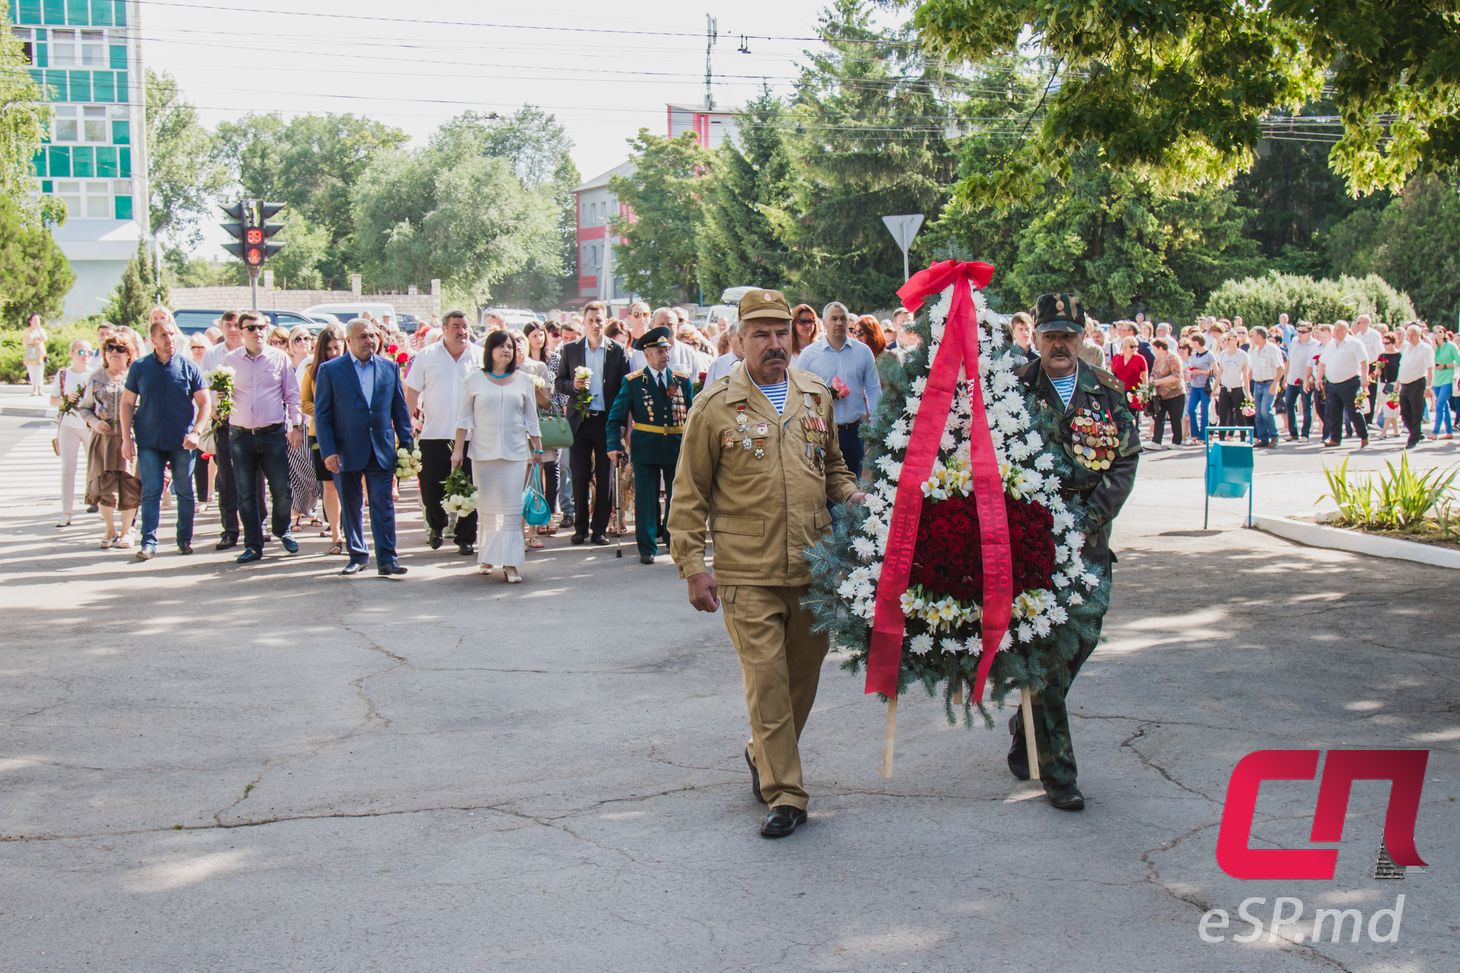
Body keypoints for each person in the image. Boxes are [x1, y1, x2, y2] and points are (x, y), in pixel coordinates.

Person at [667, 289, 862, 838]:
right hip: (745, 570)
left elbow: (834, 471)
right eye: (761, 334)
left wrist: (854, 498)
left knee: (803, 675)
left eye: (781, 333)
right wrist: (692, 566)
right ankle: (787, 793)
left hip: (812, 564)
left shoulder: (815, 396)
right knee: (768, 681)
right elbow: (688, 496)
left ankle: (763, 751)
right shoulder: (712, 407)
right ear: (738, 340)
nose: (774, 344)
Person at [1010, 293, 1139, 811]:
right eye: (1050, 335)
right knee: (1047, 650)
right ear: (1035, 337)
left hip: (1090, 539)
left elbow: (1125, 462)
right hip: (1031, 542)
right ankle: (1058, 773)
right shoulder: (1013, 391)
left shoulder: (1106, 393)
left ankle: (1028, 721)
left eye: (1068, 335)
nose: (1059, 343)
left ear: (1082, 338)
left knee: (1085, 633)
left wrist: (1088, 520)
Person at [314, 319, 414, 577]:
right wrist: (328, 451)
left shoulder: (389, 368)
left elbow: (400, 412)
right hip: (345, 450)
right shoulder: (330, 370)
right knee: (350, 504)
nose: (369, 340)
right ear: (349, 341)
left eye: (372, 335)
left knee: (383, 505)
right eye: (362, 336)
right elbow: (322, 415)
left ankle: (388, 559)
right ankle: (357, 556)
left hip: (380, 448)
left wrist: (406, 445)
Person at [452, 330, 543, 583]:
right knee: (488, 508)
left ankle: (511, 562)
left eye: (510, 347)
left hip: (514, 453)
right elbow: (463, 419)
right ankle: (488, 555)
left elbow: (531, 419)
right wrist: (458, 451)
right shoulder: (474, 380)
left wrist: (537, 448)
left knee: (512, 508)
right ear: (489, 350)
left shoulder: (524, 380)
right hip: (483, 453)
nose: (507, 350)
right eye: (501, 346)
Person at [119, 315, 209, 560]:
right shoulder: (140, 367)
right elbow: (127, 403)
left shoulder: (189, 367)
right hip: (149, 440)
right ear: (152, 340)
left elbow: (204, 403)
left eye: (171, 334)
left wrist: (196, 431)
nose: (169, 339)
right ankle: (148, 542)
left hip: (183, 440)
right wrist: (126, 438)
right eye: (163, 335)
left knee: (184, 490)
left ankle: (184, 539)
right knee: (151, 490)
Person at [607, 326, 694, 564]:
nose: (665, 354)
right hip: (646, 445)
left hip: (676, 445)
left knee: (677, 497)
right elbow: (615, 417)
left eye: (667, 350)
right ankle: (647, 546)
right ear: (647, 355)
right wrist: (613, 444)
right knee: (646, 496)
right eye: (659, 351)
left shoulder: (682, 380)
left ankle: (672, 538)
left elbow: (692, 414)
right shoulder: (634, 382)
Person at [222, 311, 303, 564]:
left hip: (272, 433)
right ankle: (253, 544)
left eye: (261, 327)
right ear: (241, 331)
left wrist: (296, 424)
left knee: (281, 489)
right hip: (241, 435)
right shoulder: (230, 361)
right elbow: (221, 394)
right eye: (251, 328)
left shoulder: (278, 358)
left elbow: (292, 394)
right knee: (246, 493)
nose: (257, 332)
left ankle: (283, 529)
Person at [405, 309, 482, 555]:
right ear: (445, 328)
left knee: (470, 487)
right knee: (431, 487)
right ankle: (437, 526)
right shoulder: (426, 356)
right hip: (433, 433)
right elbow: (413, 392)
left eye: (465, 326)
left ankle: (465, 537)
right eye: (456, 326)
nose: (462, 331)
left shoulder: (479, 356)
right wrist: (408, 423)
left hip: (472, 435)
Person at [554, 300, 628, 545]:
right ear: (583, 323)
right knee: (579, 475)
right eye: (591, 321)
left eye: (600, 321)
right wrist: (573, 387)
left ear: (605, 322)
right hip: (580, 420)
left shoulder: (617, 351)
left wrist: (621, 424)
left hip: (606, 420)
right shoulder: (571, 349)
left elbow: (623, 388)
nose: (596, 325)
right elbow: (560, 381)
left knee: (606, 476)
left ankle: (599, 530)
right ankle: (580, 528)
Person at [794, 301, 881, 478]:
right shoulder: (809, 354)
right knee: (825, 485)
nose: (839, 323)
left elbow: (873, 390)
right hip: (822, 432)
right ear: (824, 322)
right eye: (834, 318)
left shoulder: (863, 352)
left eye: (843, 318)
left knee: (852, 484)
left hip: (854, 432)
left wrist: (876, 425)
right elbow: (799, 393)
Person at [78, 332, 141, 550]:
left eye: (120, 349)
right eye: (110, 348)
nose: (115, 352)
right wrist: (94, 422)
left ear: (129, 354)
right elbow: (84, 407)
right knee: (103, 483)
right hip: (103, 437)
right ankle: (109, 529)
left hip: (127, 437)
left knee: (129, 482)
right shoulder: (96, 377)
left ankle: (126, 531)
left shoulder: (135, 376)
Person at [201, 310, 250, 550]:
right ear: (221, 327)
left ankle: (257, 525)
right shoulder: (212, 355)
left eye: (235, 325)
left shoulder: (250, 351)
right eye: (227, 325)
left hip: (249, 422)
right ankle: (230, 529)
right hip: (223, 421)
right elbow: (204, 388)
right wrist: (212, 410)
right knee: (227, 479)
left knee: (253, 477)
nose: (232, 329)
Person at [300, 325, 346, 555]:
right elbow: (304, 402)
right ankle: (336, 534)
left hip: (348, 433)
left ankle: (351, 530)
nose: (334, 353)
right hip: (320, 434)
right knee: (329, 485)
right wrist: (323, 410)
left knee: (350, 484)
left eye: (337, 347)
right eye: (329, 349)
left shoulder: (350, 368)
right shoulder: (312, 370)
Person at [51, 340, 93, 526]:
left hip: (89, 425)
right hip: (68, 424)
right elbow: (52, 400)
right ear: (72, 353)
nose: (85, 356)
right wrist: (65, 399)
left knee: (94, 467)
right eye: (81, 351)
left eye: (89, 352)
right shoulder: (63, 375)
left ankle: (96, 502)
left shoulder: (93, 374)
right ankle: (66, 512)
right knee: (68, 467)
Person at [1316, 321, 1370, 449]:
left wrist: (1364, 378)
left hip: (1350, 382)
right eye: (1335, 330)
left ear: (1346, 330)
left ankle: (1363, 436)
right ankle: (1335, 438)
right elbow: (1322, 362)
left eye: (1340, 330)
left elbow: (1363, 361)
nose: (1337, 332)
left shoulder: (1354, 343)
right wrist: (1319, 377)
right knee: (1333, 412)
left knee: (1354, 411)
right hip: (1333, 383)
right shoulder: (1330, 345)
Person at [1396, 324, 1434, 449]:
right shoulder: (1406, 348)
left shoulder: (1425, 348)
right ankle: (1417, 433)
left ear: (1419, 335)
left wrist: (1429, 386)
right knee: (1405, 412)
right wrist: (1398, 382)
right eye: (1408, 335)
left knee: (1416, 412)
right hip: (1405, 383)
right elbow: (1402, 366)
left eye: (1412, 335)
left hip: (1418, 383)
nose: (1410, 338)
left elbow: (1430, 368)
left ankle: (1413, 439)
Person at [1247, 326, 1286, 448]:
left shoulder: (1272, 349)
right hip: (1257, 383)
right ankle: (1263, 438)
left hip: (1269, 383)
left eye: (1252, 335)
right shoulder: (1253, 350)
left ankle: (1274, 435)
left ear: (1259, 336)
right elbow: (1251, 369)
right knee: (1258, 413)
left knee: (1266, 410)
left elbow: (1280, 367)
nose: (1251, 338)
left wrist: (1275, 384)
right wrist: (1247, 386)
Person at [1283, 322, 1320, 442]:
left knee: (1306, 407)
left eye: (1303, 332)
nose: (1300, 334)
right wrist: (1285, 377)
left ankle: (1305, 434)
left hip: (1306, 380)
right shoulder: (1294, 342)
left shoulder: (1315, 345)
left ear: (1310, 332)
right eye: (1298, 331)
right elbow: (1289, 361)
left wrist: (1311, 378)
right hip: (1292, 379)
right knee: (1289, 405)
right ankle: (1293, 432)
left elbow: (1315, 363)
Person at [1213, 331, 1252, 438]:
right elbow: (1219, 373)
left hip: (1238, 388)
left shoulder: (1243, 355)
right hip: (1225, 388)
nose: (1227, 342)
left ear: (1235, 340)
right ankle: (1221, 438)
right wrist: (1214, 389)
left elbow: (1245, 375)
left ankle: (1243, 439)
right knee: (1223, 415)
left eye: (1229, 339)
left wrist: (1248, 393)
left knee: (1240, 416)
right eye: (1225, 340)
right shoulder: (1222, 355)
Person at [1149, 337, 1185, 447]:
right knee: (1159, 417)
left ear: (1160, 348)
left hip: (1175, 393)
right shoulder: (1157, 359)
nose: (1153, 350)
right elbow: (1153, 373)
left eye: (1154, 348)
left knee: (1175, 418)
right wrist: (1151, 380)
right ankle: (1156, 441)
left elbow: (1177, 376)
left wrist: (1159, 381)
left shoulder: (1173, 357)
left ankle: (1176, 442)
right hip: (1161, 395)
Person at [1429, 329, 1458, 441]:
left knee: (1439, 405)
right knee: (1444, 405)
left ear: (1445, 333)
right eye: (1435, 332)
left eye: (1440, 331)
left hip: (1448, 378)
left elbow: (1458, 361)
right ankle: (1449, 431)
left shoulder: (1451, 346)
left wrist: (1445, 365)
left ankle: (1435, 432)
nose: (1438, 334)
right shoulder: (1434, 348)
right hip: (1437, 380)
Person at [23, 312, 48, 396]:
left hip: (40, 353)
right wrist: (36, 340)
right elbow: (27, 340)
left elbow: (44, 338)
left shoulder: (42, 330)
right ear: (30, 321)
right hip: (31, 353)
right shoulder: (27, 330)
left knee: (40, 371)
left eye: (38, 320)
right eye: (35, 320)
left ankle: (40, 389)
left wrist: (39, 330)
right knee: (32, 371)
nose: (37, 321)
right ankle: (34, 388)